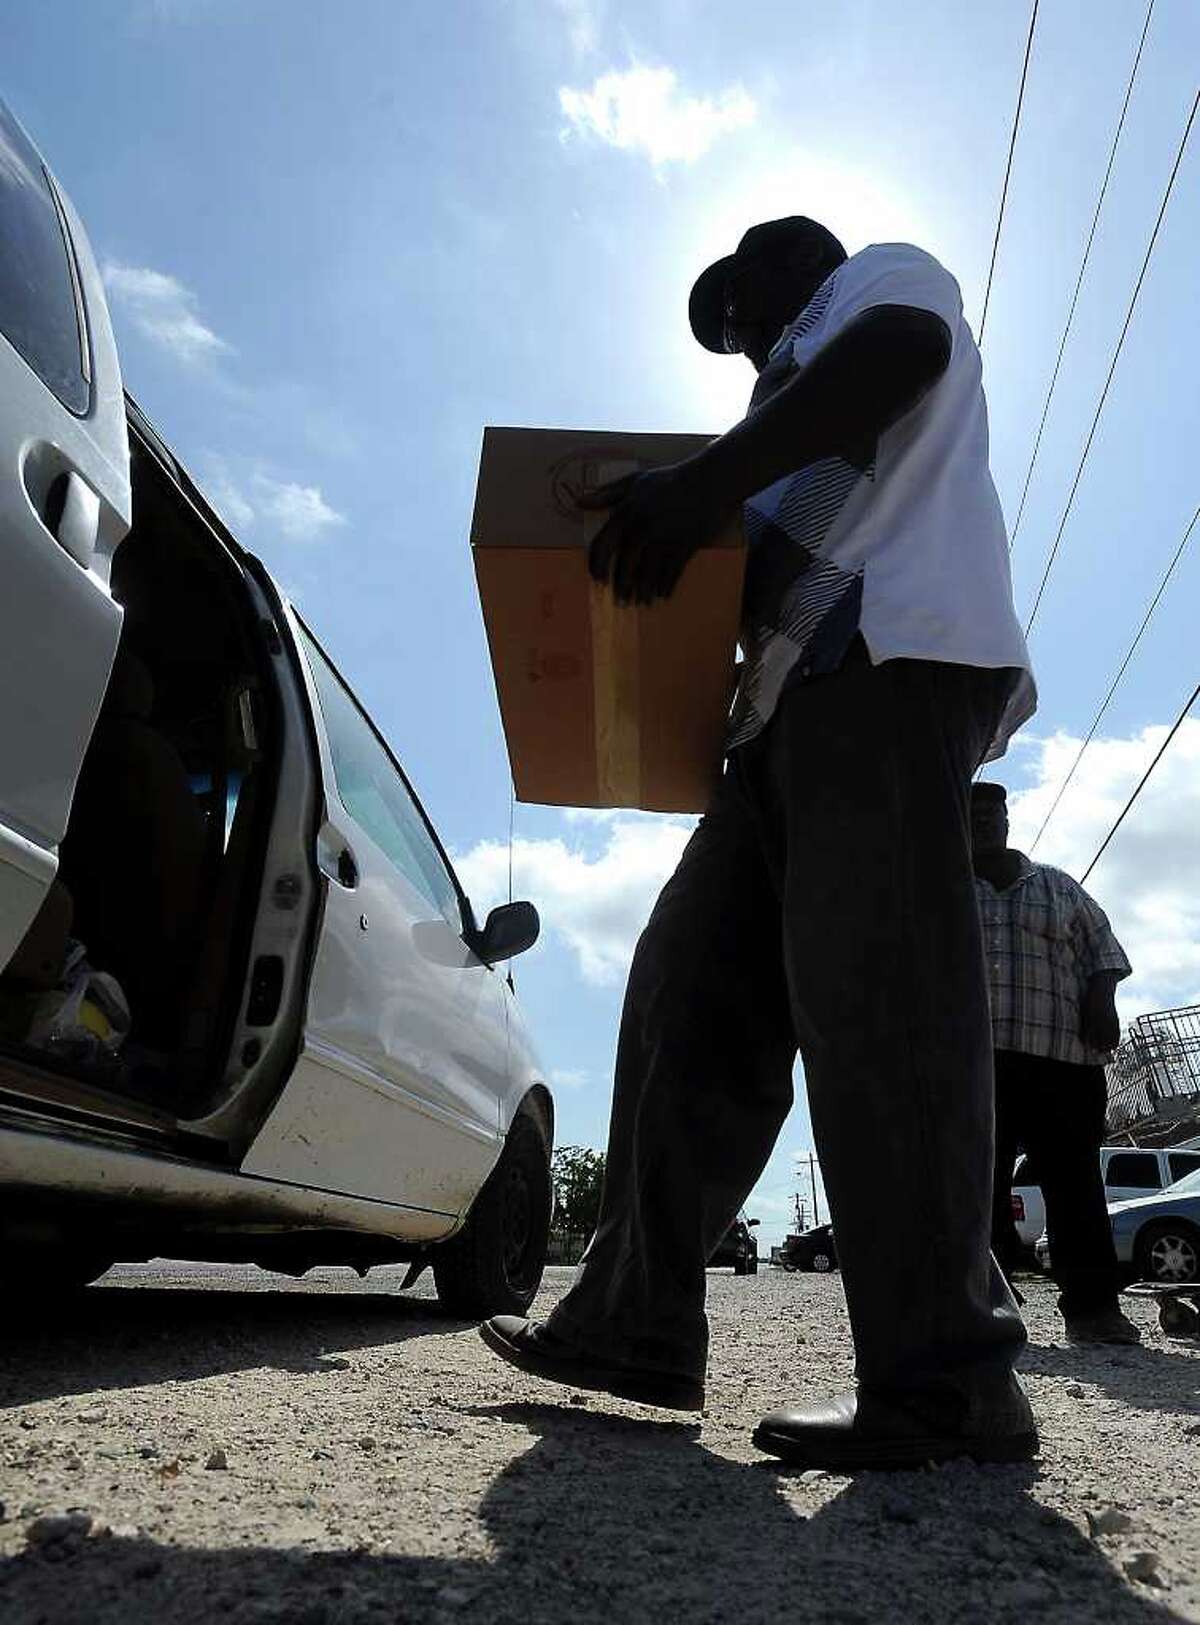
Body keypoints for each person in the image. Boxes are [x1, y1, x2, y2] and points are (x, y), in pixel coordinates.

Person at [481, 216, 1040, 1470]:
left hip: (889, 665)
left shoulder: (876, 287)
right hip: (780, 713)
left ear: (794, 262)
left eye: (738, 309)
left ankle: (945, 1375)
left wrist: (706, 483)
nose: (738, 341)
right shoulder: (773, 435)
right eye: (728, 333)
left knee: (879, 1002)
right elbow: (725, 581)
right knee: (687, 989)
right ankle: (633, 1319)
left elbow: (903, 352)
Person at [971, 781, 1140, 1346]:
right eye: (971, 815)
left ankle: (1093, 1308)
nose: (984, 823)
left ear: (1007, 821)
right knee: (975, 1185)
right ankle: (986, 1310)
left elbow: (1104, 952)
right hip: (973, 1060)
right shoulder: (940, 887)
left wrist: (1102, 1000)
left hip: (1064, 1056)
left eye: (993, 814)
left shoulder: (1059, 886)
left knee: (1074, 1182)